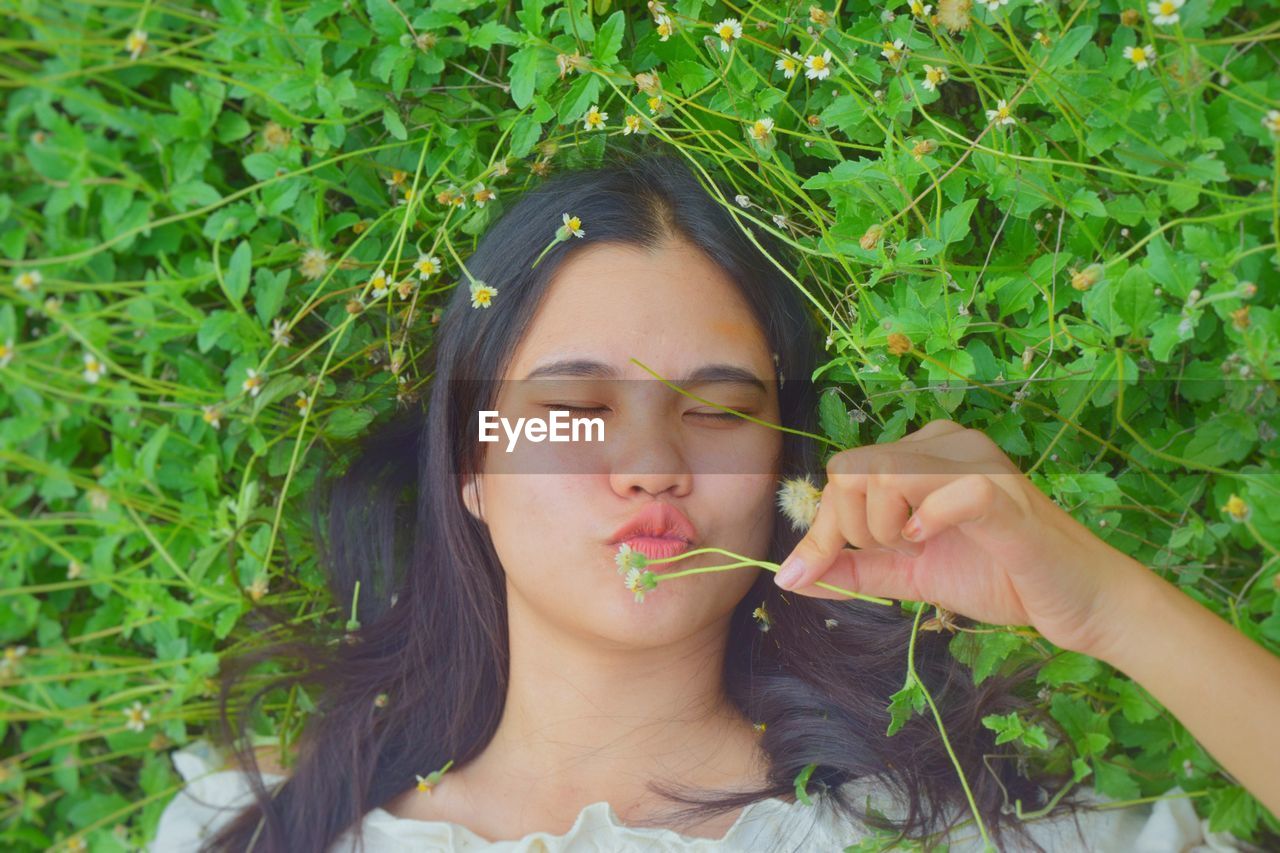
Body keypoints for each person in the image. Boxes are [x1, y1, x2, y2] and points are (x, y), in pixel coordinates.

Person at [149, 152, 1277, 851]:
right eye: (576, 410)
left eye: (717, 408)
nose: (650, 466)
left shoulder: (946, 831)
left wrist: (1102, 607)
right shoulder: (251, 830)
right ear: (473, 469)